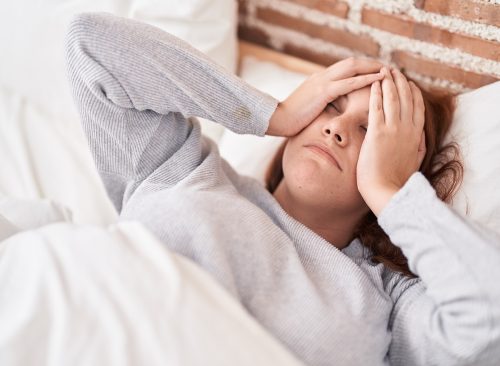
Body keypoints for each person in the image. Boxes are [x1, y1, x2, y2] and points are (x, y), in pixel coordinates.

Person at [65, 12, 500, 366]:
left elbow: (490, 316)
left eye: (370, 131)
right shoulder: (184, 169)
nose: (336, 127)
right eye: (330, 106)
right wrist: (273, 113)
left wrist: (391, 192)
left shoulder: (387, 306)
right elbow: (91, 43)